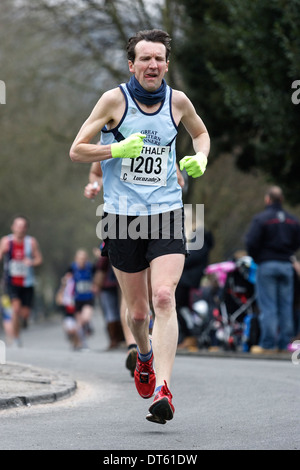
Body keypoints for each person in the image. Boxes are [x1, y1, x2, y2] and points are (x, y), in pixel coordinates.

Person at [70, 29, 210, 424]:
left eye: (159, 59)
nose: (153, 65)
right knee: (137, 313)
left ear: (167, 64)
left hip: (166, 212)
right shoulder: (114, 100)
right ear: (132, 65)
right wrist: (117, 148)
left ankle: (163, 389)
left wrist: (200, 157)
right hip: (121, 219)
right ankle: (144, 356)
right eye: (145, 59)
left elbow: (200, 133)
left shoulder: (178, 102)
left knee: (164, 297)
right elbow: (77, 149)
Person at [245, 186, 300, 353]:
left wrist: (258, 258)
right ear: (281, 200)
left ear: (267, 200)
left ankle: (268, 344)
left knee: (269, 306)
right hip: (286, 266)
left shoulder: (261, 219)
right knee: (286, 305)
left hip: (267, 265)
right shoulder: (292, 220)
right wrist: (288, 253)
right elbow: (297, 241)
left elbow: (251, 242)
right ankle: (284, 344)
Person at [0, 215, 43, 346]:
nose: (20, 229)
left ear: (26, 228)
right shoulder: (6, 241)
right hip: (11, 281)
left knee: (24, 314)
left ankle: (21, 324)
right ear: (13, 227)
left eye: (23, 226)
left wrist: (31, 262)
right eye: (18, 226)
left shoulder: (31, 242)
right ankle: (16, 337)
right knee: (15, 309)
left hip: (27, 282)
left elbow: (39, 259)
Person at [93, 244, 125, 350]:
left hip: (111, 283)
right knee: (117, 311)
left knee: (112, 312)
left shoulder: (108, 243)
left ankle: (116, 339)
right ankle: (117, 339)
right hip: (117, 283)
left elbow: (102, 263)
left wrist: (100, 255)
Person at [67, 249, 96, 350]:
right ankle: (81, 343)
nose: (82, 260)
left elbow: (96, 278)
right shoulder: (72, 268)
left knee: (85, 318)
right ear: (76, 259)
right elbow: (67, 280)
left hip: (88, 298)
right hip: (77, 299)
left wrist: (95, 286)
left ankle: (83, 329)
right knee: (79, 323)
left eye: (84, 258)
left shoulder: (91, 267)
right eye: (80, 258)